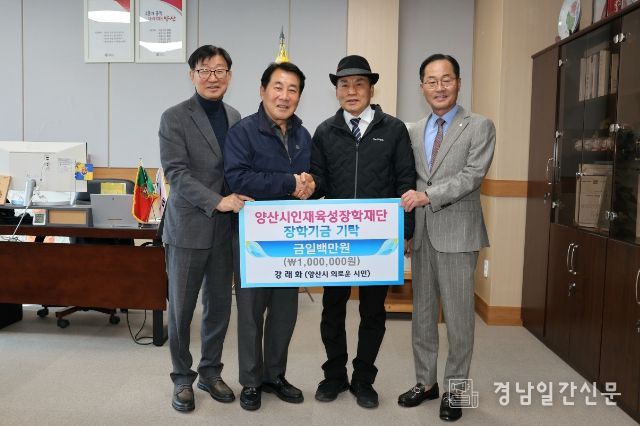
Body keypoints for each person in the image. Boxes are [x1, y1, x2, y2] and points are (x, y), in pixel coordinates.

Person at [309, 55, 416, 409]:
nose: (351, 91)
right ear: (336, 90)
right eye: (344, 85)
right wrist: (305, 189)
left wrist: (406, 231)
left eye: (359, 84)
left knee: (373, 311)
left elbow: (405, 181)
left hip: (379, 238)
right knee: (332, 309)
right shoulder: (325, 131)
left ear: (371, 89)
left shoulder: (394, 129)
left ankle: (364, 379)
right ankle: (334, 375)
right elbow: (319, 182)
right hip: (337, 238)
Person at [397, 53, 495, 422]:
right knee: (422, 316)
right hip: (422, 235)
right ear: (421, 86)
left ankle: (456, 390)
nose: (439, 87)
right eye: (431, 81)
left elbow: (472, 176)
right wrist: (407, 229)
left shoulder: (480, 126)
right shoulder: (412, 130)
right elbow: (408, 178)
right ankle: (425, 382)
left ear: (458, 82)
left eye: (446, 79)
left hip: (458, 235)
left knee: (458, 320)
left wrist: (428, 196)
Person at [159, 45, 252, 413]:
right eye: (205, 70)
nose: (213, 77)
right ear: (192, 75)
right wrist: (217, 201)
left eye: (220, 70)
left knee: (218, 307)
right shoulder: (174, 117)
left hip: (225, 230)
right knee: (181, 310)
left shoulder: (235, 116)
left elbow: (240, 168)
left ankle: (210, 372)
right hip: (188, 228)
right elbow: (177, 173)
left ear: (229, 75)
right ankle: (182, 377)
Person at [224, 61, 314, 411]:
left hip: (290, 237)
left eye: (293, 90)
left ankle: (274, 375)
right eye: (278, 87)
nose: (284, 96)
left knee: (284, 312)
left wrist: (311, 185)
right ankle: (250, 381)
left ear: (299, 96)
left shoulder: (303, 135)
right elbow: (239, 179)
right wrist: (290, 183)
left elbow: (311, 177)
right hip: (252, 237)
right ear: (263, 91)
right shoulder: (243, 132)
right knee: (250, 312)